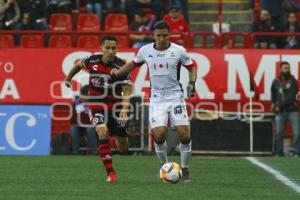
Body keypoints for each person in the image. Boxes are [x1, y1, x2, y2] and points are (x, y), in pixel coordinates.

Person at [111, 20, 197, 182]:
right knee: (159, 135)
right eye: (159, 36)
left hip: (176, 97)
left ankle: (184, 169)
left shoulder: (179, 50)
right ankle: (165, 167)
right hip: (157, 99)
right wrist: (115, 74)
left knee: (184, 135)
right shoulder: (145, 50)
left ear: (169, 35)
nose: (162, 38)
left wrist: (192, 83)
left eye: (165, 35)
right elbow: (132, 65)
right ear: (154, 36)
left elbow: (192, 66)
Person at [64, 35, 133, 183]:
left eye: (113, 48)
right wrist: (68, 78)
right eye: (107, 48)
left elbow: (127, 90)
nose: (110, 51)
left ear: (117, 49)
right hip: (96, 104)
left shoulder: (123, 66)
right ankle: (111, 173)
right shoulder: (91, 60)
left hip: (115, 106)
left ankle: (114, 142)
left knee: (124, 149)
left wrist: (124, 110)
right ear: (101, 48)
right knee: (102, 131)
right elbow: (77, 66)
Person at [271, 61, 300, 156]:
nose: (287, 70)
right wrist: (273, 103)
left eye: (288, 68)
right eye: (285, 68)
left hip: (292, 110)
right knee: (279, 133)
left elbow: (292, 96)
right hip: (280, 112)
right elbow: (273, 93)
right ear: (281, 69)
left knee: (296, 132)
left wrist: (280, 105)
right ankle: (279, 152)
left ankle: (296, 152)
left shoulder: (293, 80)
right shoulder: (276, 80)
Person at [71, 85, 98, 155]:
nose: (81, 98)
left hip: (92, 125)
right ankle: (75, 152)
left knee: (90, 129)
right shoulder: (75, 103)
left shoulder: (95, 103)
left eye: (83, 96)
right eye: (81, 95)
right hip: (79, 125)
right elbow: (72, 118)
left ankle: (94, 152)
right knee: (73, 130)